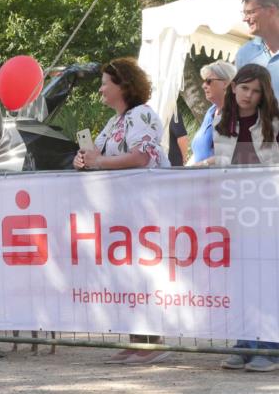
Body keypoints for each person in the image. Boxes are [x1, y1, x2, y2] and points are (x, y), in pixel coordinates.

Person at [74, 57, 169, 365]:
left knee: (142, 272)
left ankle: (152, 341)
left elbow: (142, 156)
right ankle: (136, 338)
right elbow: (96, 155)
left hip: (144, 208)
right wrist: (84, 160)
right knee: (127, 274)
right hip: (123, 211)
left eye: (105, 83)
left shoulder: (140, 115)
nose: (100, 89)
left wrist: (98, 162)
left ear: (122, 86)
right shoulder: (116, 121)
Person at [208, 64, 279, 371]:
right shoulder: (220, 120)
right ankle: (244, 342)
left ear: (264, 94)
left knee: (267, 280)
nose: (249, 96)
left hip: (269, 212)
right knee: (240, 281)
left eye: (256, 91)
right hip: (235, 212)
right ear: (234, 87)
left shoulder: (274, 123)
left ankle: (270, 346)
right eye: (245, 88)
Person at [187, 60, 237, 165]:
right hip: (202, 178)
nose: (204, 86)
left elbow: (233, 154)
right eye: (204, 81)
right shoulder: (211, 111)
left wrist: (203, 164)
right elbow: (200, 151)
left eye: (208, 81)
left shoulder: (235, 113)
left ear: (225, 83)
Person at [235, 0, 279, 99]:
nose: (245, 19)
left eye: (250, 12)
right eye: (244, 13)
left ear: (271, 10)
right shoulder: (244, 54)